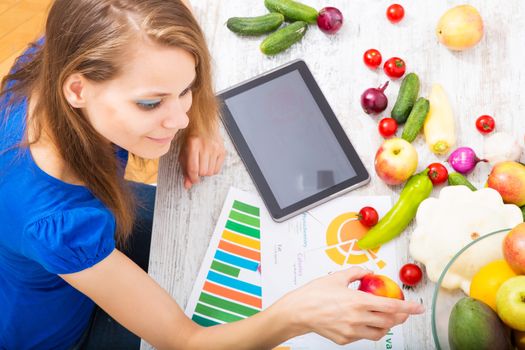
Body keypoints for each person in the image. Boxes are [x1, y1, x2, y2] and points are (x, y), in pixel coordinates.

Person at [0, 0, 424, 349]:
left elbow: (166, 35)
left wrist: (200, 121)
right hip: (64, 331)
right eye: (151, 104)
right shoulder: (56, 223)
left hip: (95, 234)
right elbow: (186, 341)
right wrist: (296, 316)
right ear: (77, 89)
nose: (179, 119)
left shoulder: (62, 52)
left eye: (185, 91)